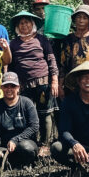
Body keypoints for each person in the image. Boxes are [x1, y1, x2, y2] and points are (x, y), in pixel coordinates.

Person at [7, 10, 58, 150]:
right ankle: (30, 143)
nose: (24, 25)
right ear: (17, 27)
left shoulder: (42, 39)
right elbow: (10, 65)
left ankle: (45, 144)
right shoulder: (13, 43)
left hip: (43, 83)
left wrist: (54, 80)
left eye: (27, 22)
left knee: (45, 113)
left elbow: (51, 60)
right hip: (23, 85)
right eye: (21, 23)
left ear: (33, 24)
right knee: (26, 115)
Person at [0, 72, 40, 168]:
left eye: (13, 86)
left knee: (26, 148)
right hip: (5, 145)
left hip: (24, 142)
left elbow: (34, 126)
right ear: (1, 87)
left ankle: (25, 163)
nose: (9, 89)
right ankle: (10, 162)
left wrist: (15, 140)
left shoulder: (27, 103)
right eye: (6, 86)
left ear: (18, 88)